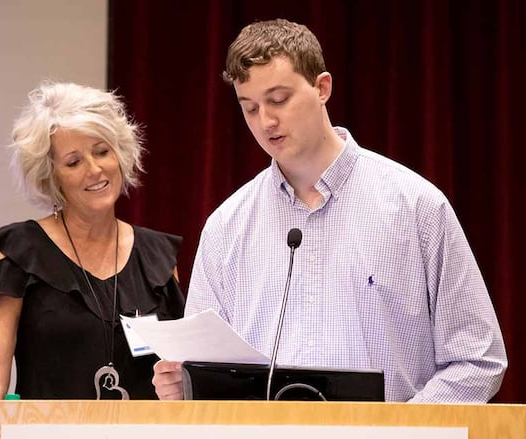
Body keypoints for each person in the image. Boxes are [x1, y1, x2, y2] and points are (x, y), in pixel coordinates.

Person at [152, 19, 507, 402]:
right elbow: (206, 371)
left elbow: (477, 359)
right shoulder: (226, 226)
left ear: (322, 88)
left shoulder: (416, 207)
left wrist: (399, 430)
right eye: (250, 107)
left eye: (278, 99)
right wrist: (184, 384)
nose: (265, 121)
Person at [0, 81, 185, 400]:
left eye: (102, 151)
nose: (94, 169)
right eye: (73, 162)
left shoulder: (158, 258)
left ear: (120, 154)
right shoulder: (17, 251)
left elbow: (180, 374)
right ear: (50, 177)